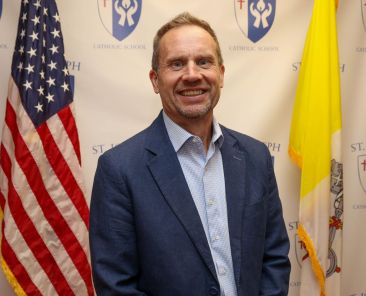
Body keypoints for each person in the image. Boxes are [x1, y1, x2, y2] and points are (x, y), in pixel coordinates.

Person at [89, 12, 291, 296]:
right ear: (155, 80)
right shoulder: (119, 170)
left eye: (204, 62)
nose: (192, 74)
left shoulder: (255, 157)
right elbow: (116, 286)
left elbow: (274, 259)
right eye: (176, 64)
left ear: (220, 74)